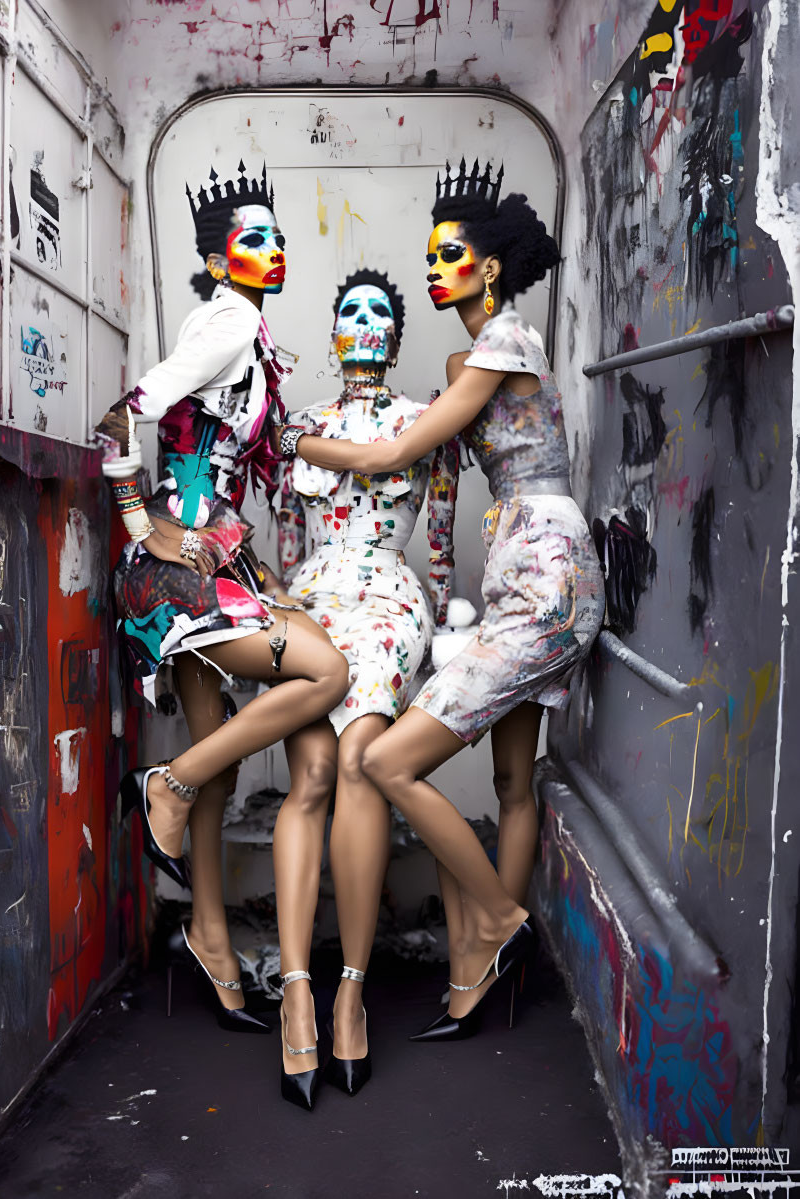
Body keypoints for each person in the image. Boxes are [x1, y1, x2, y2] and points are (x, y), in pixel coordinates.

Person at [277, 160, 605, 1040]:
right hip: (521, 572)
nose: (431, 267)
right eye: (428, 254)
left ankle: (498, 923)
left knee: (385, 762)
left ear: (489, 266)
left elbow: (392, 457)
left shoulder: (502, 340)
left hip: (544, 575)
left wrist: (303, 438)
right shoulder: (478, 353)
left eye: (448, 253)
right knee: (511, 780)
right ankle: (478, 975)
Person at [94, 161, 348, 1034]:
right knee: (324, 672)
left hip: (211, 562)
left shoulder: (243, 329)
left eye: (277, 238)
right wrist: (139, 526)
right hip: (176, 567)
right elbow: (125, 412)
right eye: (252, 238)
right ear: (216, 255)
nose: (272, 250)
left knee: (227, 753)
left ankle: (207, 932)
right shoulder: (231, 316)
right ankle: (163, 785)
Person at [268, 270, 458, 1106]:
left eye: (381, 309)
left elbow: (442, 537)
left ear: (396, 330)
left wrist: (451, 624)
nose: (365, 320)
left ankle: (351, 987)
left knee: (356, 760)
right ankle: (298, 988)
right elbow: (279, 538)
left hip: (387, 596)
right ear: (335, 326)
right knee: (308, 773)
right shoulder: (297, 423)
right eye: (350, 308)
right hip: (310, 597)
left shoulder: (425, 423)